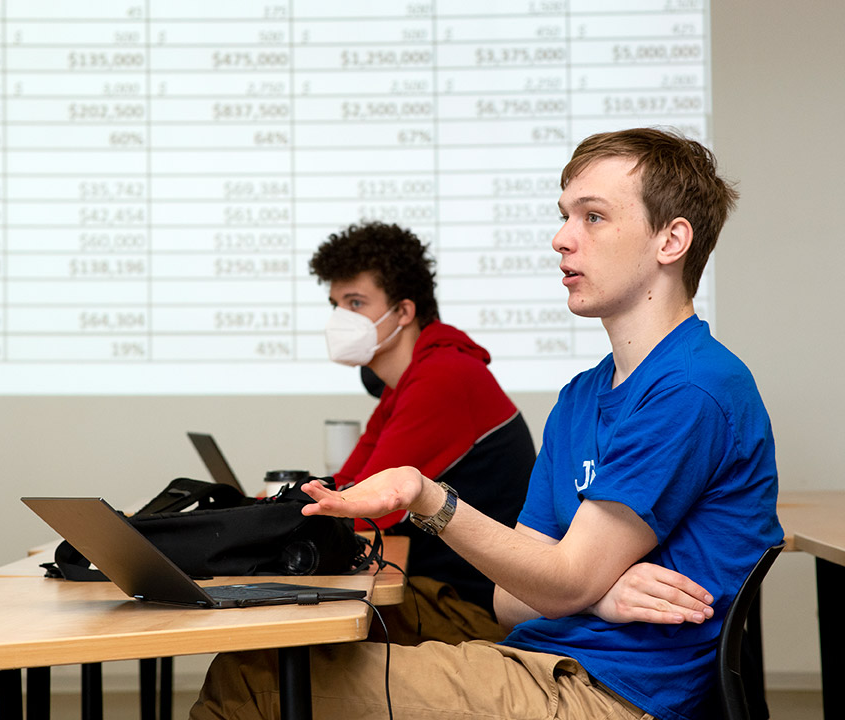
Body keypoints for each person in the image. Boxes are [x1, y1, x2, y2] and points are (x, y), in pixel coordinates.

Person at [191, 128, 783, 720]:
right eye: (563, 217)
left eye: (593, 217)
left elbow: (560, 581)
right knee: (258, 663)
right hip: (543, 662)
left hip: (611, 694)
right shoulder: (582, 396)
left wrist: (431, 500)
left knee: (251, 681)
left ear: (671, 240)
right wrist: (598, 596)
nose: (561, 239)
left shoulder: (691, 388)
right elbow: (509, 599)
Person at [309, 221, 536, 643]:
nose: (342, 318)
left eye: (355, 303)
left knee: (280, 655)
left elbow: (362, 510)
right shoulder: (406, 386)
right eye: (336, 304)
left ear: (405, 312)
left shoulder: (445, 376)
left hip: (468, 611)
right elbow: (347, 486)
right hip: (433, 594)